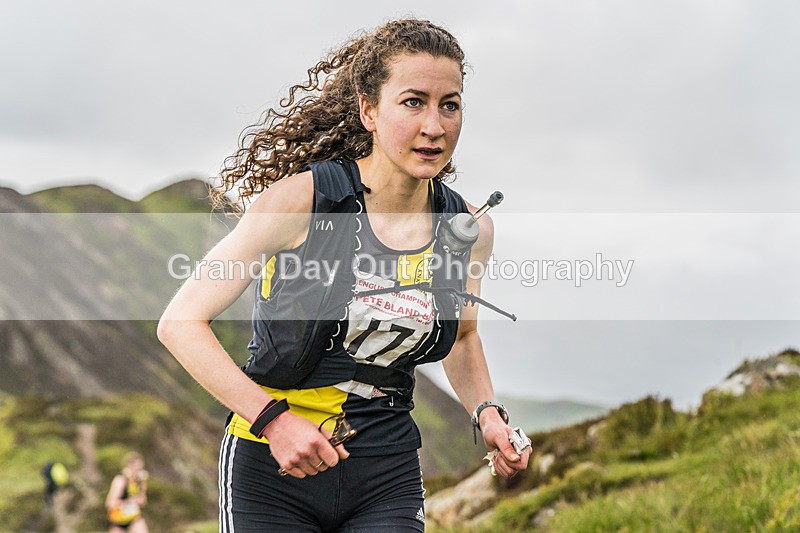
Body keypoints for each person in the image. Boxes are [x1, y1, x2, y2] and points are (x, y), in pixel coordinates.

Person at [158, 18, 530, 532]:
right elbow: (180, 324)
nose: (434, 126)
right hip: (271, 467)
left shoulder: (468, 228)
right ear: (368, 110)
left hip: (387, 471)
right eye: (413, 102)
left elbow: (463, 337)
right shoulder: (301, 202)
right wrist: (274, 423)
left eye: (450, 105)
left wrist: (487, 413)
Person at [105, 452, 149, 533]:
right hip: (117, 519)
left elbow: (142, 502)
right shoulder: (120, 481)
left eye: (141, 469)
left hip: (133, 518)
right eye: (137, 468)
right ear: (129, 466)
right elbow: (110, 503)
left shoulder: (138, 482)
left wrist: (143, 486)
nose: (139, 471)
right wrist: (128, 502)